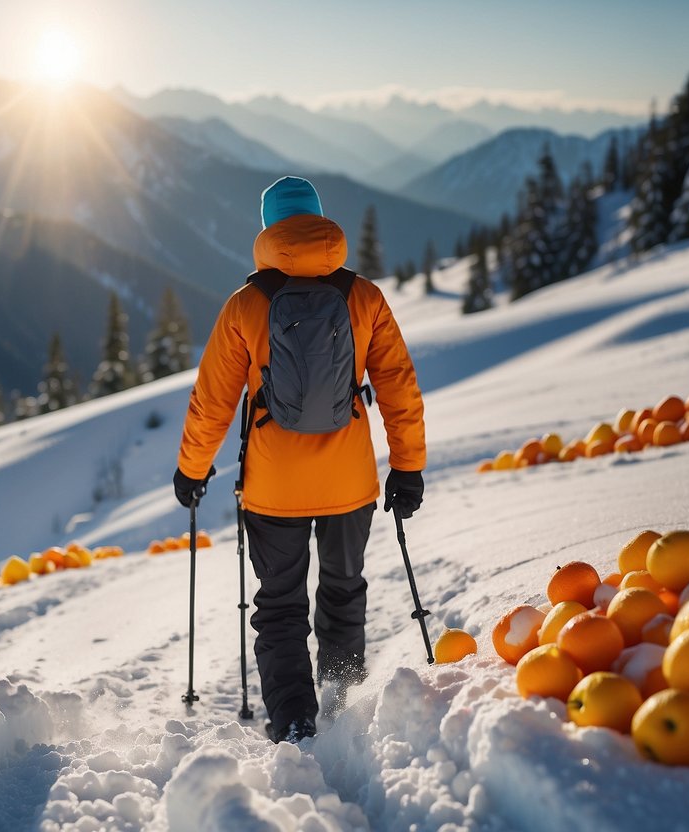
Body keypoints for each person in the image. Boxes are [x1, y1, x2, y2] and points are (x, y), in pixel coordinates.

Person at [173, 176, 427, 744]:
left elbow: (211, 400)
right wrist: (407, 467)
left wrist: (192, 470)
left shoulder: (246, 305)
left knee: (280, 606)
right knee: (343, 588)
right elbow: (398, 387)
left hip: (273, 487)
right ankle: (341, 696)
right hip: (350, 482)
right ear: (318, 221)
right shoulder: (363, 296)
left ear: (269, 230)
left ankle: (292, 721)